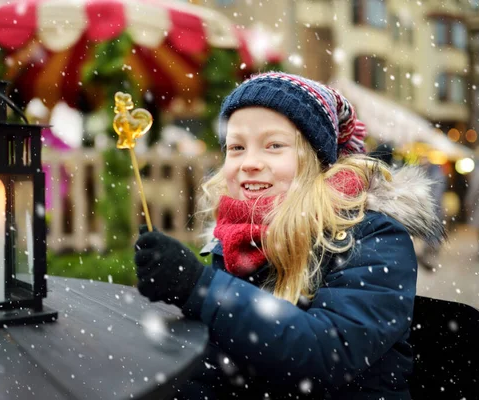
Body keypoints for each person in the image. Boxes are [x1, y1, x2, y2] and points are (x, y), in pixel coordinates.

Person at [133, 72, 445, 399]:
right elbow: (221, 362)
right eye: (236, 147)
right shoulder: (238, 237)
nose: (250, 162)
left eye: (274, 145)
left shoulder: (374, 237)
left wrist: (202, 288)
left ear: (316, 159)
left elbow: (326, 353)